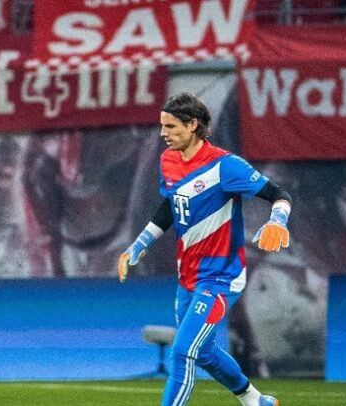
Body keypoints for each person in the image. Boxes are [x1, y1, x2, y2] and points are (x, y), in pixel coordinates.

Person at [117, 93, 291, 406]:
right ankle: (256, 401)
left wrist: (278, 221)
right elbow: (171, 206)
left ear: (193, 124)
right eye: (162, 126)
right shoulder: (168, 161)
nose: (163, 133)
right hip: (188, 277)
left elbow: (279, 194)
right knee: (206, 353)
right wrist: (139, 245)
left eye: (170, 126)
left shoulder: (226, 166)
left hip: (221, 278)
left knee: (183, 351)